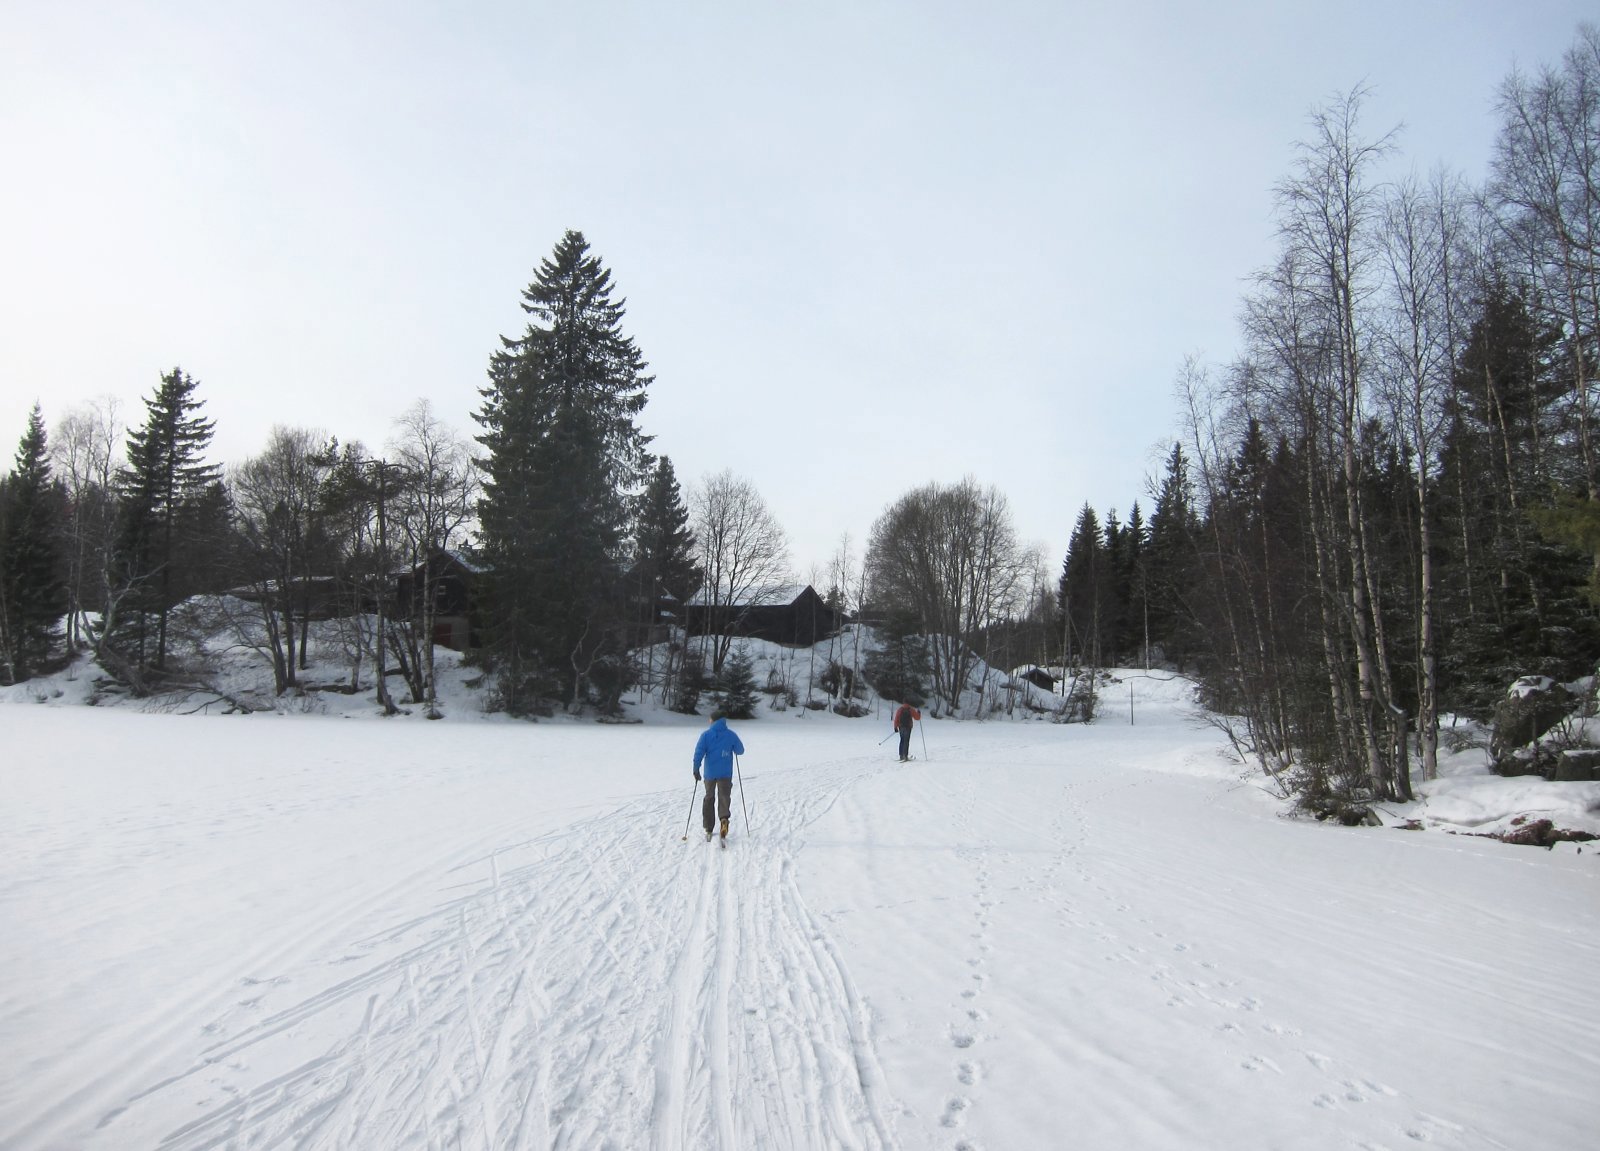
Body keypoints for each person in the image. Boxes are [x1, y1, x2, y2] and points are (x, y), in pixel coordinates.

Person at [693, 711, 745, 841]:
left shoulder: (706, 735)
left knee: (709, 798)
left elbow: (699, 752)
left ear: (714, 720)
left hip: (710, 774)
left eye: (710, 719)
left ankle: (709, 827)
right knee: (724, 797)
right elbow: (740, 750)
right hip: (725, 774)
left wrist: (696, 768)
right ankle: (724, 820)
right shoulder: (731, 735)